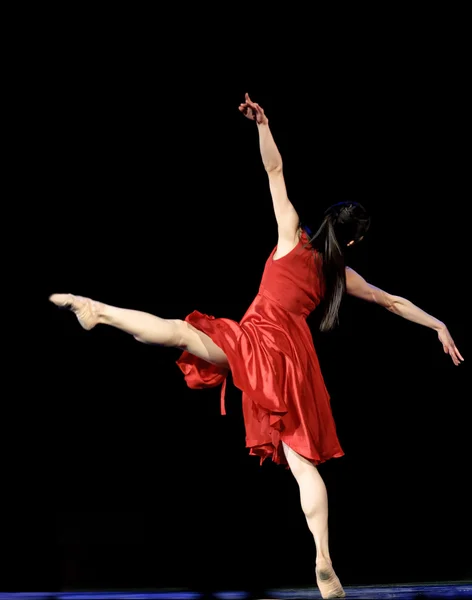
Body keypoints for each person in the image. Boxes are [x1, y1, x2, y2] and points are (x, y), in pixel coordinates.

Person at [50, 93, 463, 599]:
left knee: (181, 331)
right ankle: (324, 559)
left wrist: (263, 125)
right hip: (294, 361)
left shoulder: (293, 236)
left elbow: (275, 171)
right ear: (353, 242)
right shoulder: (340, 274)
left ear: (328, 223)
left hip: (256, 339)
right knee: (302, 460)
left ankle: (99, 311)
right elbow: (392, 302)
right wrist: (438, 323)